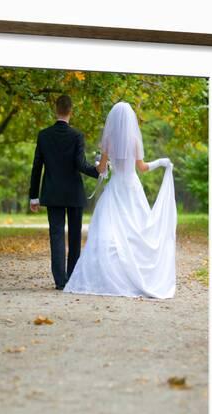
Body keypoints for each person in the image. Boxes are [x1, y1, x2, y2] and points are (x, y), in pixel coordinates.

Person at [63, 101, 177, 299]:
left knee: (108, 231)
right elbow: (142, 168)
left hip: (115, 187)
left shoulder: (108, 141)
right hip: (131, 188)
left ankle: (109, 275)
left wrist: (100, 164)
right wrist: (161, 162)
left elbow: (101, 170)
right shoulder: (134, 140)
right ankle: (134, 272)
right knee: (136, 230)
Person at [29, 94, 99, 290]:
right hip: (74, 193)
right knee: (75, 236)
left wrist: (34, 196)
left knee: (57, 235)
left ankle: (60, 281)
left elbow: (37, 167)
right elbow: (80, 164)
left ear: (55, 109)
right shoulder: (77, 136)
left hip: (52, 193)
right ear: (71, 111)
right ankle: (73, 278)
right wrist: (98, 171)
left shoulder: (43, 135)